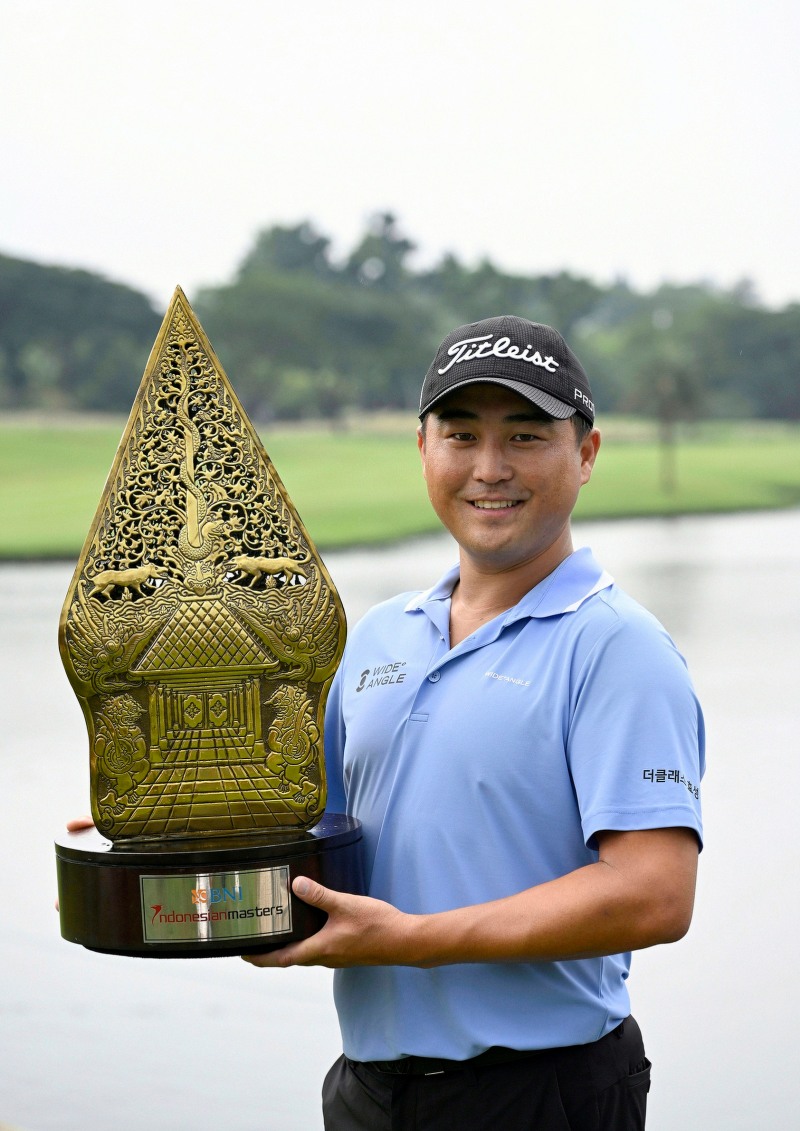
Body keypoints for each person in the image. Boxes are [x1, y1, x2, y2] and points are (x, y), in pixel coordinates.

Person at [244, 315, 705, 1129]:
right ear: (423, 449)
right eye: (462, 435)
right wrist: (169, 829)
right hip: (370, 1090)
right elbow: (308, 826)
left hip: (539, 1091)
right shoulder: (377, 635)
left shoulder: (617, 646)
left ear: (586, 454)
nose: (490, 468)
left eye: (525, 435)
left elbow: (654, 894)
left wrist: (411, 938)